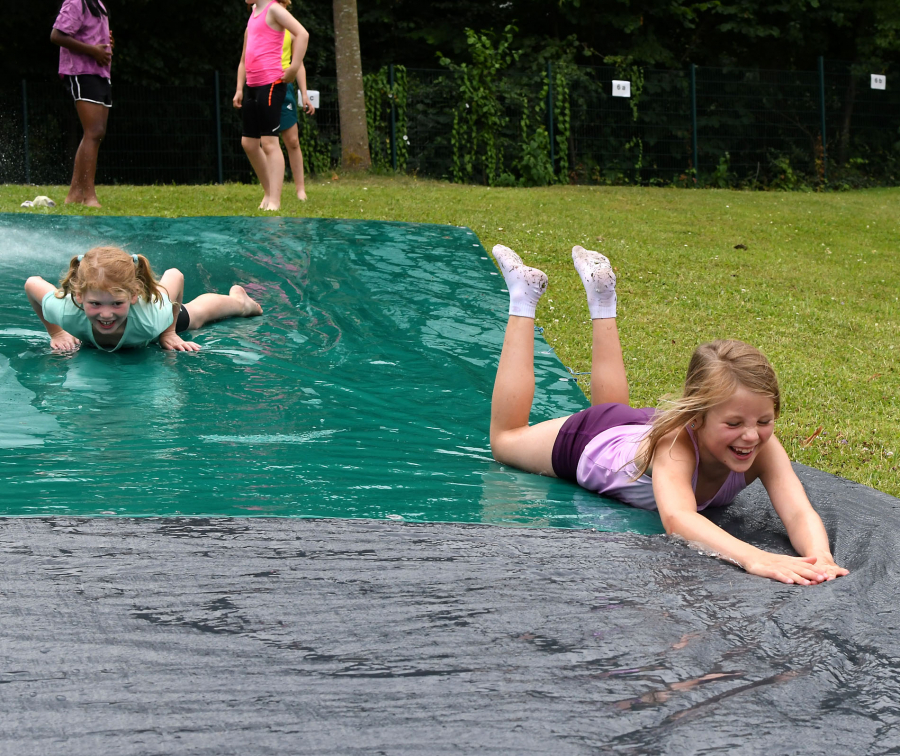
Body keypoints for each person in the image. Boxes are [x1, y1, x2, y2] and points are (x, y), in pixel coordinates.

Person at [489, 243, 849, 585]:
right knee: (505, 441)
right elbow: (679, 519)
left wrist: (820, 557)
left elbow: (799, 512)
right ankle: (523, 296)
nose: (751, 435)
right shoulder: (676, 444)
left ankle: (602, 296)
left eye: (764, 421)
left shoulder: (761, 445)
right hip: (589, 441)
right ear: (696, 416)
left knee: (614, 409)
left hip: (636, 429)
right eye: (734, 423)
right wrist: (754, 557)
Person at [24, 246, 263, 353]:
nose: (106, 314)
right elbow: (31, 283)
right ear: (79, 297)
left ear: (134, 296)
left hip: (155, 324)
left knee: (194, 316)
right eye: (95, 304)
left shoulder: (152, 316)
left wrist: (168, 332)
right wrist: (57, 332)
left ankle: (239, 301)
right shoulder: (67, 310)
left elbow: (175, 276)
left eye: (116, 303)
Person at [233, 0, 309, 211]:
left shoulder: (274, 9)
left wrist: (293, 69)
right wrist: (240, 88)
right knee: (248, 144)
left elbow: (303, 34)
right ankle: (268, 192)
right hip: (253, 86)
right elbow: (244, 58)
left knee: (269, 143)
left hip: (271, 84)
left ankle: (275, 200)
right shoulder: (254, 12)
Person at [50, 0, 113, 208]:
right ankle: (89, 196)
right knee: (93, 132)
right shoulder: (76, 2)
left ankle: (75, 194)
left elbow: (90, 34)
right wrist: (93, 51)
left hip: (100, 73)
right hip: (81, 72)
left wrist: (105, 41)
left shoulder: (99, 4)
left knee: (96, 133)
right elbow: (57, 35)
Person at [277, 0, 315, 201]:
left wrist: (305, 94)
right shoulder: (261, 24)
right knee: (267, 142)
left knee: (292, 141)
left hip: (285, 89)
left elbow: (298, 64)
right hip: (265, 86)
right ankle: (273, 191)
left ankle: (300, 189)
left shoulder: (291, 28)